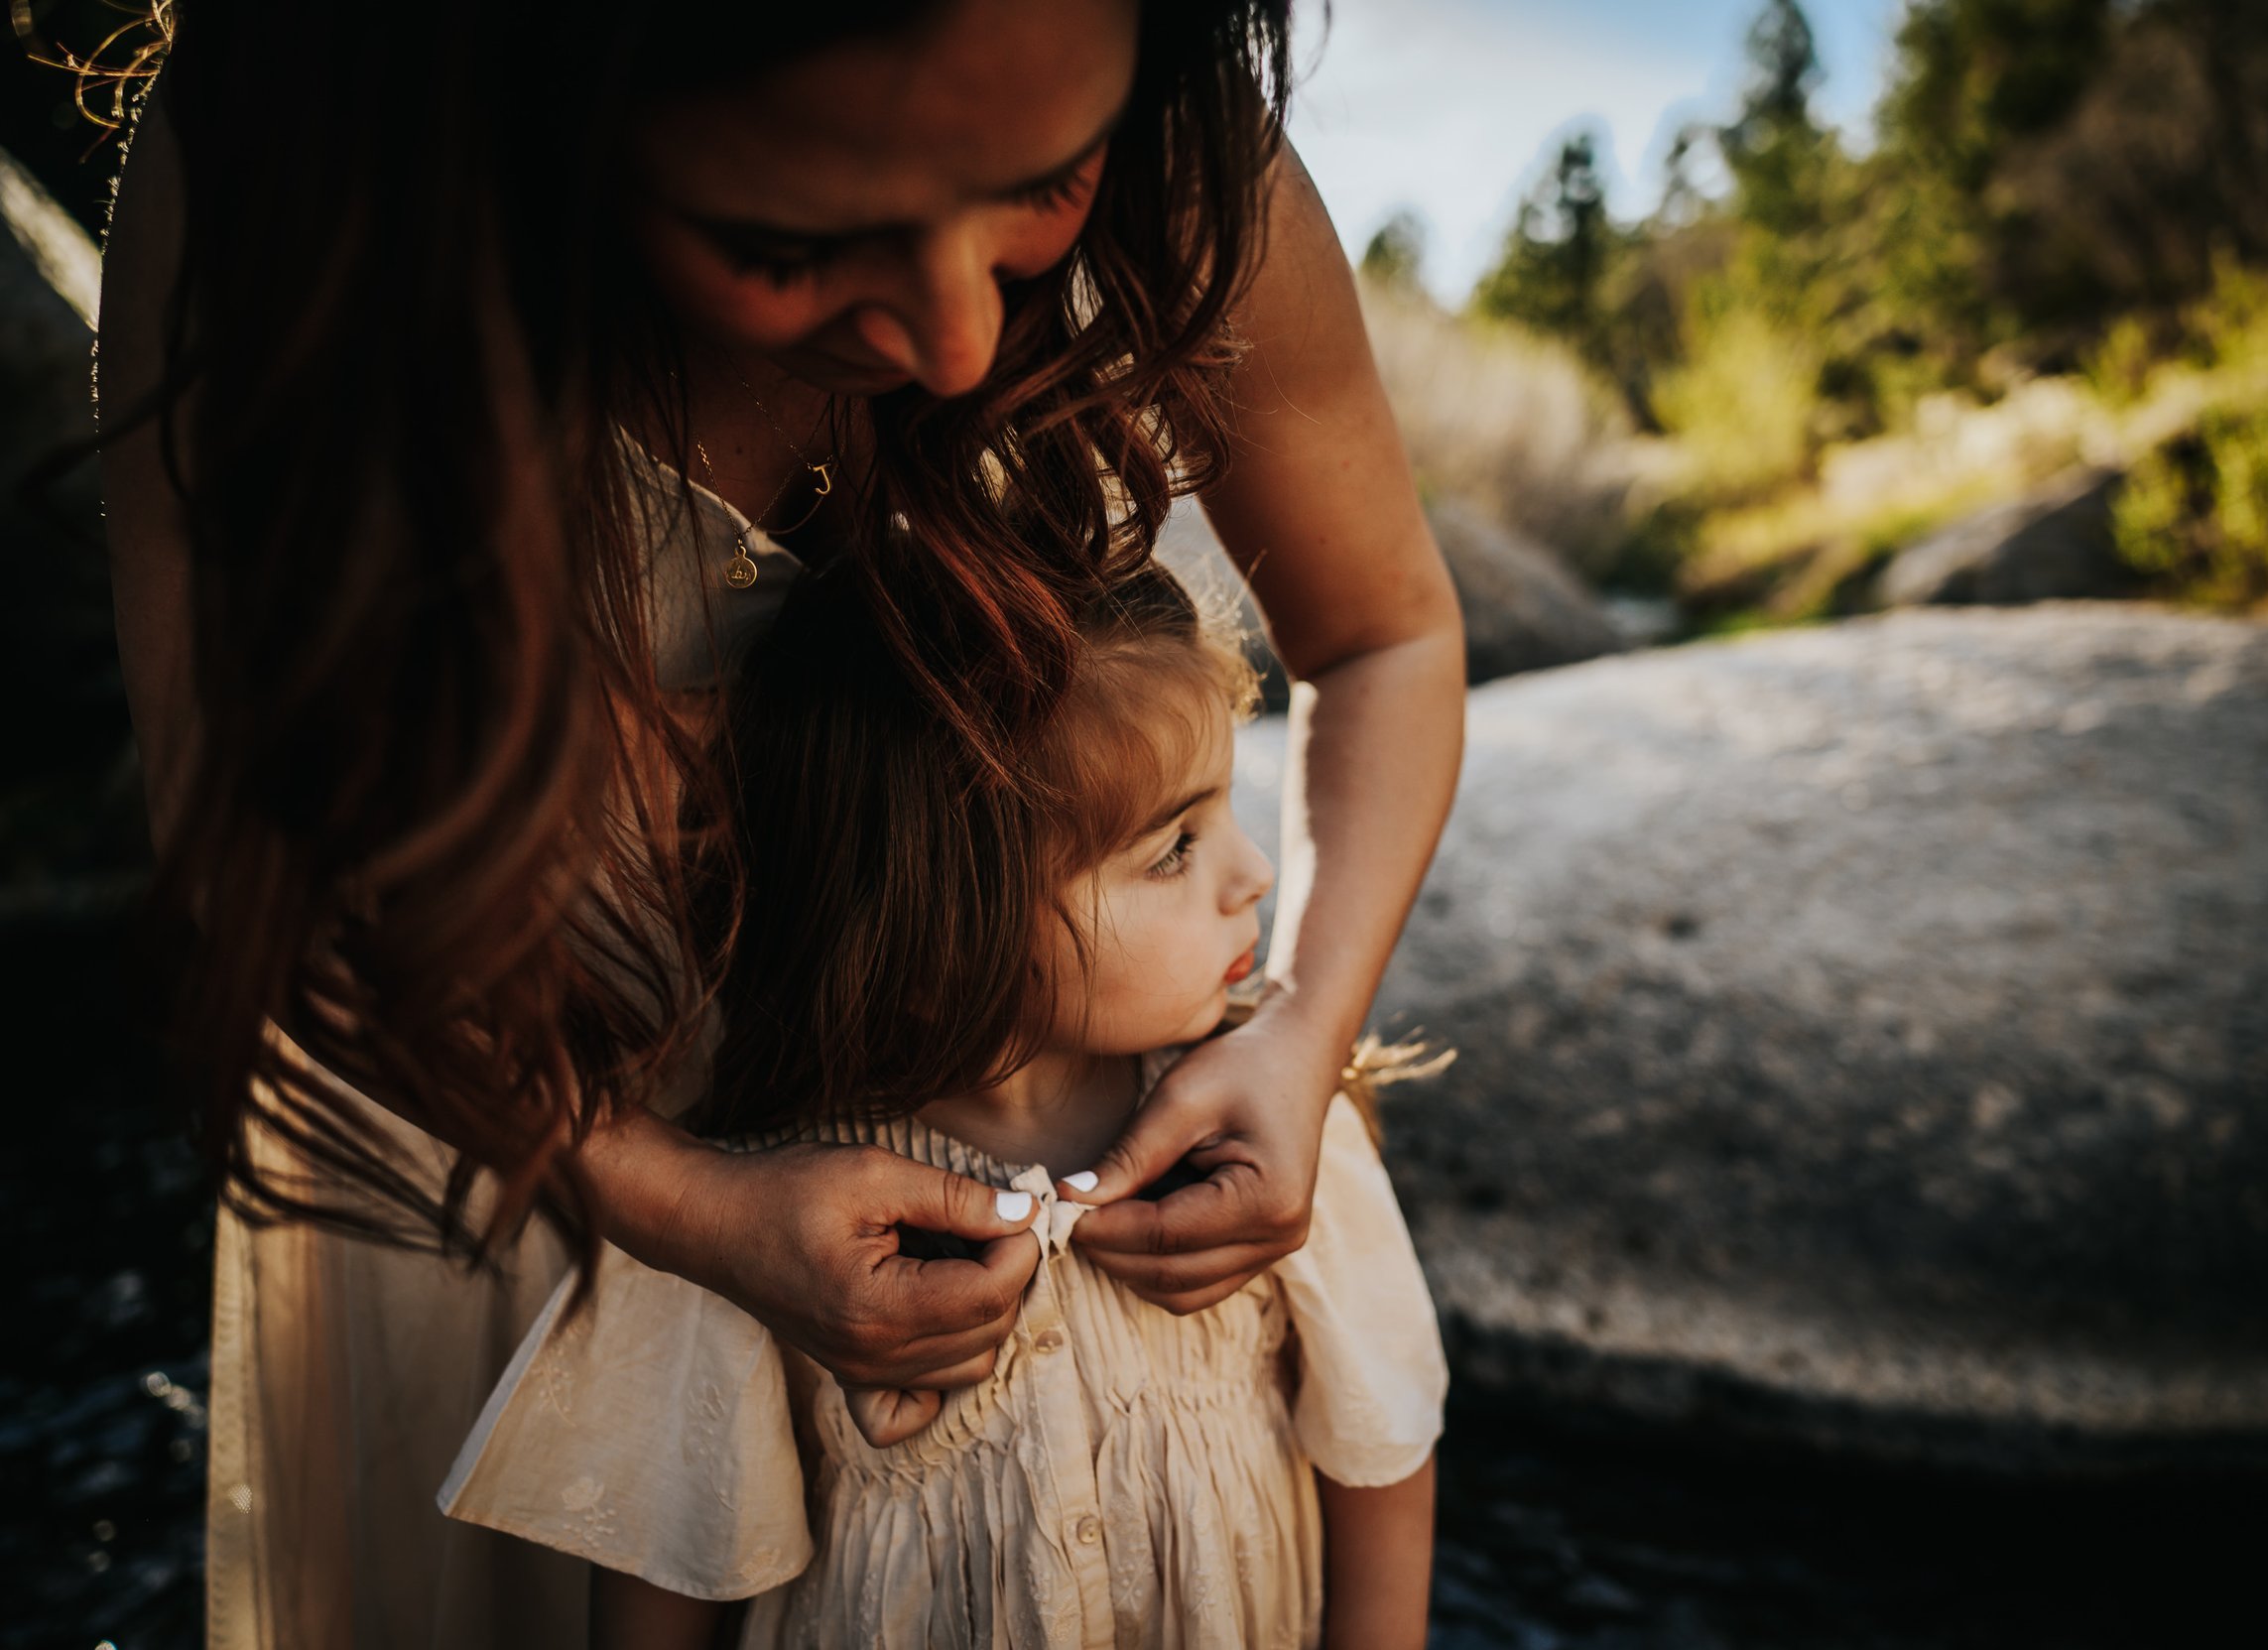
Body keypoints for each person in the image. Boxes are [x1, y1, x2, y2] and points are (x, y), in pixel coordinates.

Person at [96, 2, 1462, 1642]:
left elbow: (1386, 629)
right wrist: (675, 1206)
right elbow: (257, 859)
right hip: (515, 1155)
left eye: (1043, 184)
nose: (959, 341)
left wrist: (1307, 1028)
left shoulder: (1176, 136)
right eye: (789, 244)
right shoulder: (296, 165)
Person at [440, 564, 1447, 1649]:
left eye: (1226, 807)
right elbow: (662, 1578)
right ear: (943, 935)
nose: (1252, 871)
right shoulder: (752, 1228)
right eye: (1173, 848)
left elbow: (1381, 1456)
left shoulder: (1277, 1138)